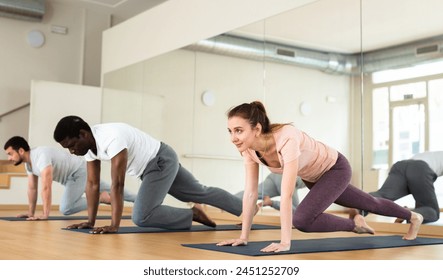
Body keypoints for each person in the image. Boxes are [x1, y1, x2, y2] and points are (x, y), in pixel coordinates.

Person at [216, 101, 423, 253]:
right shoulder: (249, 150)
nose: (233, 138)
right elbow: (251, 193)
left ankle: (404, 218)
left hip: (335, 169)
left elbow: (287, 195)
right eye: (230, 131)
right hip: (312, 177)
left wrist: (285, 242)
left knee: (304, 220)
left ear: (257, 129)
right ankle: (388, 220)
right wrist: (244, 236)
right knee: (369, 202)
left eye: (239, 131)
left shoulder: (287, 137)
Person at [53, 116, 243, 233]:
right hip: (159, 161)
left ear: (83, 134)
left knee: (141, 216)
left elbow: (117, 185)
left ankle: (200, 213)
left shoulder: (111, 137)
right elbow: (93, 185)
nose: (71, 151)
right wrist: (90, 221)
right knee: (198, 192)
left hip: (160, 161)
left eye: (72, 145)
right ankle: (237, 209)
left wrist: (114, 225)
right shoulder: (89, 147)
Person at [3, 136, 136, 220]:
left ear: (20, 151)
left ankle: (100, 197)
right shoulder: (29, 164)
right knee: (117, 190)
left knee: (66, 208)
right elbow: (32, 189)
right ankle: (141, 198)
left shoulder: (40, 155)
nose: (9, 158)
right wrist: (30, 213)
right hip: (77, 174)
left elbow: (46, 186)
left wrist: (45, 214)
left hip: (78, 173)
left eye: (10, 154)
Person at [366, 151, 442, 224]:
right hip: (420, 168)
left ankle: (357, 205)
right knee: (432, 211)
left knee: (382, 196)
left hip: (401, 166)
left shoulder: (436, 154)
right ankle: (407, 214)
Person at [235, 173, 306, 211]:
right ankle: (271, 202)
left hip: (276, 175)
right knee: (297, 211)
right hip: (288, 180)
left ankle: (227, 202)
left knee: (253, 192)